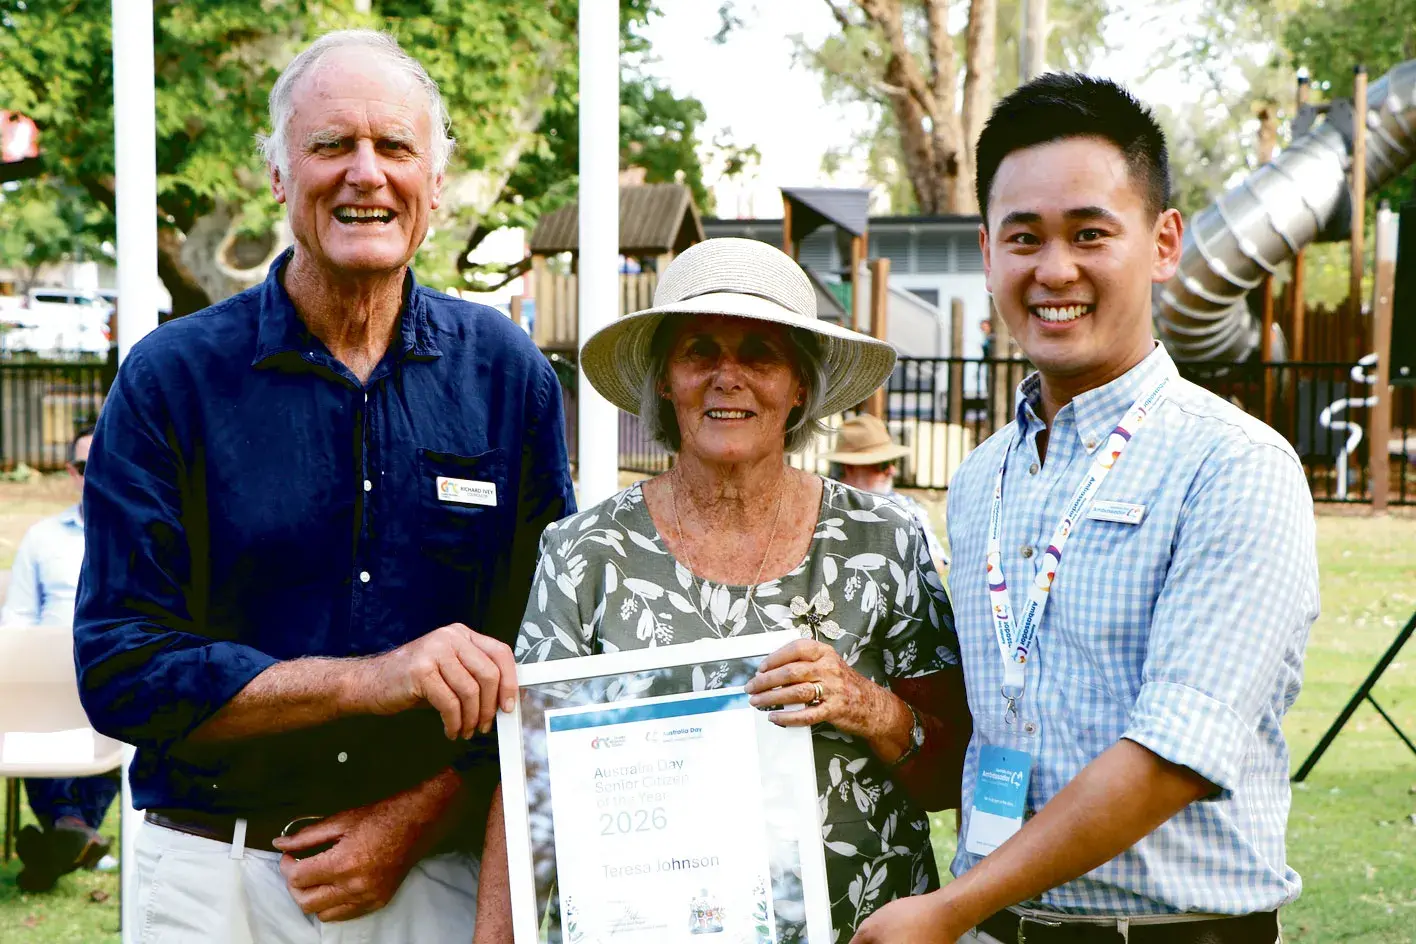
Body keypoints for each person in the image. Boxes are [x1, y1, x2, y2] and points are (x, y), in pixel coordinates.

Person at [73, 30, 574, 943]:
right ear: (278, 174)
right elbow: (122, 671)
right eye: (332, 144)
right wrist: (375, 681)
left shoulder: (508, 377)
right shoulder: (170, 379)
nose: (365, 173)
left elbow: (547, 662)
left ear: (436, 181)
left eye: (395, 146)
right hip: (213, 880)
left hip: (430, 876)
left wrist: (424, 815)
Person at [852, 74, 1318, 944]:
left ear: (1164, 242)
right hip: (1000, 928)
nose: (1054, 270)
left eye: (1090, 233)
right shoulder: (982, 478)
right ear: (988, 252)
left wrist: (950, 909)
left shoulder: (1233, 466)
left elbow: (1173, 758)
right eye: (1024, 237)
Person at [488, 236, 971, 941]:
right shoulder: (585, 552)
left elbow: (952, 774)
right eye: (700, 351)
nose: (727, 377)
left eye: (760, 354)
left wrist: (865, 703)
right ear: (665, 379)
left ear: (800, 385)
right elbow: (532, 780)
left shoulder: (883, 541)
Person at [2, 426, 119, 892]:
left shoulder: (143, 537)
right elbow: (17, 621)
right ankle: (76, 833)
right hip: (47, 681)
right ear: (72, 472)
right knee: (36, 711)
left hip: (111, 679)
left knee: (123, 706)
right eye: (88, 466)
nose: (98, 474)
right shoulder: (42, 538)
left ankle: (60, 838)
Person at [823, 413, 948, 568]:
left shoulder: (906, 507)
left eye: (893, 462)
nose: (892, 471)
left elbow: (936, 564)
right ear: (849, 466)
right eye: (883, 465)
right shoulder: (822, 506)